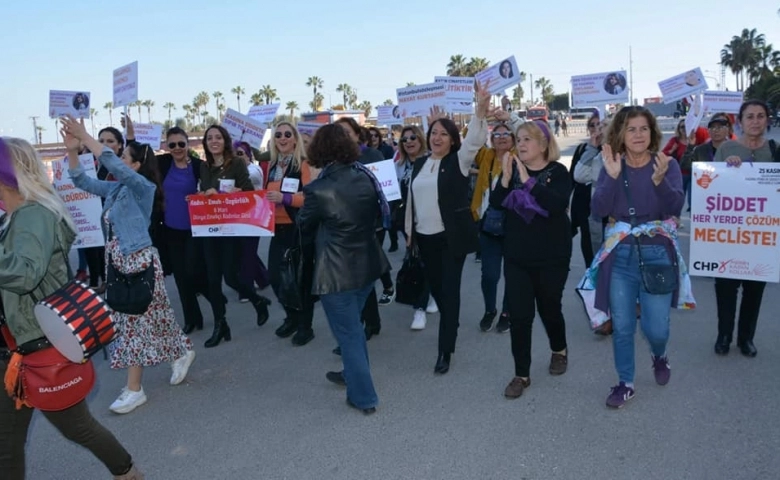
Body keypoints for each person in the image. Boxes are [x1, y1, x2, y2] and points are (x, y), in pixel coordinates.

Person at [0, 137, 143, 480]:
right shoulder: (15, 216)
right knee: (6, 441)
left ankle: (127, 472)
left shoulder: (33, 214)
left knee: (78, 428)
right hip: (16, 345)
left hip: (37, 345)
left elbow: (23, 273)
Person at [62, 116, 196, 415]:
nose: (118, 159)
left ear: (135, 165)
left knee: (131, 325)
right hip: (119, 263)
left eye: (124, 157)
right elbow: (82, 181)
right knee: (156, 316)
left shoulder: (142, 187)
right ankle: (182, 350)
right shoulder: (117, 190)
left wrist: (86, 136)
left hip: (138, 263)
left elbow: (112, 164)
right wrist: (73, 150)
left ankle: (135, 390)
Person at [590, 106, 688, 408]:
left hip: (657, 252)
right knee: (622, 325)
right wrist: (612, 177)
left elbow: (675, 207)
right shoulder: (610, 164)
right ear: (620, 133)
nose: (638, 134)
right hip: (620, 255)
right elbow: (598, 210)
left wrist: (660, 181)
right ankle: (626, 382)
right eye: (631, 129)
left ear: (652, 132)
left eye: (643, 128)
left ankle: (659, 354)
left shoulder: (665, 163)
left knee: (656, 327)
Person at [298, 124, 391, 415]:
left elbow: (304, 224)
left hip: (336, 275)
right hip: (367, 267)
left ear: (319, 151)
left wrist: (312, 188)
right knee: (353, 331)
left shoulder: (319, 188)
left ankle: (364, 397)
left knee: (349, 335)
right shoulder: (366, 177)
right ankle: (352, 376)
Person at [404, 81, 489, 374]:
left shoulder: (459, 162)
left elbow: (475, 140)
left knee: (449, 294)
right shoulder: (419, 165)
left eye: (443, 133)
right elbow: (412, 202)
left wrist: (479, 111)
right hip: (424, 240)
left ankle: (445, 351)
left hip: (450, 240)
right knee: (438, 292)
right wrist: (409, 235)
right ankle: (450, 320)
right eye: (433, 132)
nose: (437, 137)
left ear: (453, 140)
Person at [491, 120, 571, 399]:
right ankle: (521, 374)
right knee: (521, 316)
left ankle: (559, 349)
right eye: (519, 139)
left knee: (549, 308)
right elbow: (495, 203)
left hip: (552, 256)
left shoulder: (558, 172)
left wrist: (528, 182)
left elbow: (557, 204)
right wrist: (504, 180)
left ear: (543, 144)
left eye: (527, 139)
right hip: (516, 256)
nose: (520, 144)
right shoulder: (511, 170)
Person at [124, 119, 211, 335]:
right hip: (170, 230)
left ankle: (215, 297)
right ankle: (192, 318)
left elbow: (211, 189)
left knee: (193, 272)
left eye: (181, 144)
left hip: (194, 229)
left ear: (187, 144)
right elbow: (139, 155)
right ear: (166, 147)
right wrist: (131, 137)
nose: (177, 149)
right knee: (181, 277)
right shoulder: (162, 164)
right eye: (172, 145)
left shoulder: (199, 167)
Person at [198, 125, 273, 348]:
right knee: (213, 279)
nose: (214, 141)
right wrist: (199, 197)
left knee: (231, 277)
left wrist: (230, 193)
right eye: (210, 138)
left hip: (231, 228)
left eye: (218, 137)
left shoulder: (237, 163)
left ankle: (257, 300)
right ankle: (221, 325)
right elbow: (205, 193)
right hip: (210, 228)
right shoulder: (204, 167)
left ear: (225, 140)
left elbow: (250, 193)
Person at [712, 100, 774, 357]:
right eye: (750, 117)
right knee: (725, 287)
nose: (756, 121)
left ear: (767, 120)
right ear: (740, 121)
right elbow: (711, 188)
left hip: (760, 234)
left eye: (760, 116)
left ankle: (746, 338)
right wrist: (727, 170)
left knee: (754, 290)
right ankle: (724, 336)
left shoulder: (774, 150)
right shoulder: (726, 148)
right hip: (730, 234)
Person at [469, 111, 525, 333]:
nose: (501, 137)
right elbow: (470, 139)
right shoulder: (486, 156)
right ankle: (490, 309)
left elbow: (529, 134)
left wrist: (510, 117)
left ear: (513, 139)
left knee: (511, 274)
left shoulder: (520, 156)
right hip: (488, 225)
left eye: (506, 134)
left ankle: (506, 312)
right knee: (489, 274)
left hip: (514, 227)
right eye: (497, 134)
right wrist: (481, 117)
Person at [265, 122, 316, 346]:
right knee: (275, 278)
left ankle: (305, 326)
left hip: (297, 229)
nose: (283, 138)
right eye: (278, 135)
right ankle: (292, 317)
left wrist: (286, 199)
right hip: (276, 228)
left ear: (295, 139)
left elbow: (310, 197)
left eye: (288, 134)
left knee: (299, 279)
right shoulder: (272, 165)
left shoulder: (302, 164)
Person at [395, 126, 436, 329]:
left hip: (429, 218)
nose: (409, 141)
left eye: (412, 137)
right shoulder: (398, 166)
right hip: (406, 219)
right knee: (420, 259)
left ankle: (419, 309)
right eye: (404, 139)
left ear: (420, 139)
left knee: (425, 261)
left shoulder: (431, 162)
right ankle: (428, 297)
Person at [233, 141, 270, 302]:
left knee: (247, 253)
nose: (237, 157)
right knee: (245, 251)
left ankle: (246, 289)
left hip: (255, 215)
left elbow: (249, 180)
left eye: (240, 153)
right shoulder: (233, 170)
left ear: (248, 155)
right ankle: (263, 278)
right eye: (234, 154)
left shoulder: (254, 170)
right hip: (237, 217)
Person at [570, 113, 603, 267]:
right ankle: (591, 275)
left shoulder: (614, 149)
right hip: (584, 204)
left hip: (605, 206)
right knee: (587, 240)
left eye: (600, 124)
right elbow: (573, 177)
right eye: (592, 125)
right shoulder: (583, 148)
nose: (596, 128)